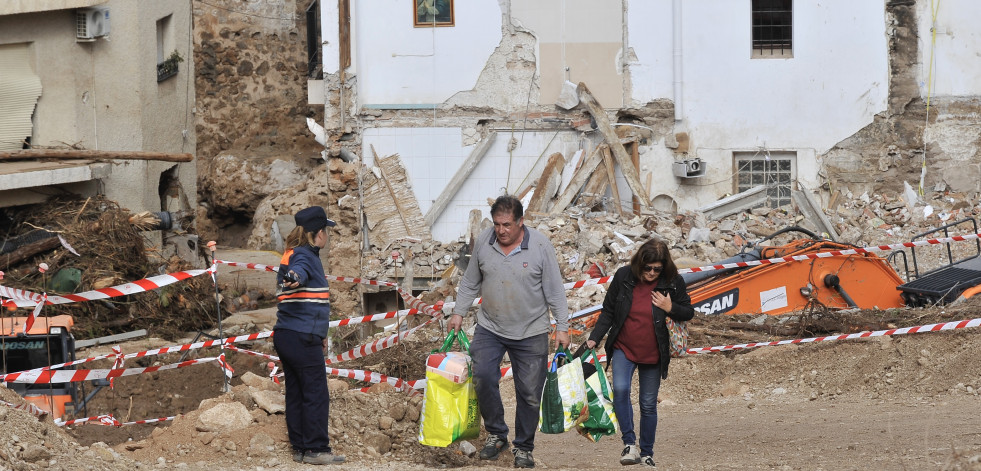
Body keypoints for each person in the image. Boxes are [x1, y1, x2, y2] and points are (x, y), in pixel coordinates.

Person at [447, 195, 570, 469]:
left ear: (520, 222)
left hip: (531, 330)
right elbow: (469, 283)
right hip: (490, 327)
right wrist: (458, 312)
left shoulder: (540, 246)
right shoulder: (484, 243)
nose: (501, 230)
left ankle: (524, 447)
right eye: (497, 224)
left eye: (507, 224)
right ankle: (496, 433)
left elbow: (555, 290)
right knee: (482, 377)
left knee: (528, 392)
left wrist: (562, 326)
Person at [585, 238, 694, 468]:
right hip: (624, 347)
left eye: (657, 268)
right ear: (639, 264)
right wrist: (595, 337)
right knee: (621, 390)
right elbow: (608, 311)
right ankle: (629, 444)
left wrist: (669, 307)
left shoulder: (673, 282)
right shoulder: (624, 277)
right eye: (648, 268)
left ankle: (646, 452)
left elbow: (688, 312)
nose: (652, 272)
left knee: (647, 403)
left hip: (654, 353)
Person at [272, 206, 345, 466]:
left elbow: (306, 295)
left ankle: (301, 448)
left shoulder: (291, 253)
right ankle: (316, 449)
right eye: (326, 231)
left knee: (296, 392)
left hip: (287, 334)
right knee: (315, 392)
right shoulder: (304, 257)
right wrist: (295, 277)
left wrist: (321, 333)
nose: (328, 236)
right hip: (301, 338)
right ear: (318, 234)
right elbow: (299, 272)